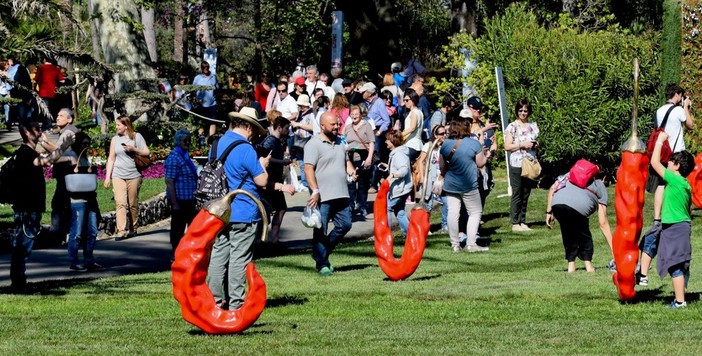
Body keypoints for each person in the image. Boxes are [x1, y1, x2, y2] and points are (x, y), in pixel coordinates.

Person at [207, 107, 270, 310]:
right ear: (248, 127)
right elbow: (262, 181)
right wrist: (263, 164)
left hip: (219, 210)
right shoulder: (245, 149)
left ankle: (214, 301)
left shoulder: (217, 144)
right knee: (239, 258)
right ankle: (237, 304)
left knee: (218, 254)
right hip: (244, 210)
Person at [640, 84, 695, 278]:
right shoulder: (679, 109)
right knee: (677, 186)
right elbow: (690, 125)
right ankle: (681, 211)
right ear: (678, 95)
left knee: (662, 186)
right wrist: (687, 107)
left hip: (661, 150)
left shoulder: (659, 110)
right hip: (676, 155)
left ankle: (657, 216)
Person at [638, 132, 694, 307]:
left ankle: (680, 302)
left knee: (675, 265)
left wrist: (660, 142)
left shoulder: (675, 179)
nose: (667, 163)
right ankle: (642, 274)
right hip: (678, 226)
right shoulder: (684, 184)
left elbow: (654, 163)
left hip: (675, 228)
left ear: (676, 166)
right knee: (650, 242)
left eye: (670, 161)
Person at [305, 111, 357, 275]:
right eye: (333, 124)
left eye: (337, 124)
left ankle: (321, 252)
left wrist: (351, 172)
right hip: (323, 195)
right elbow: (308, 169)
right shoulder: (313, 144)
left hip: (342, 193)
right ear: (322, 126)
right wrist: (315, 190)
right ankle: (322, 264)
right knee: (321, 230)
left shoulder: (340, 142)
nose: (337, 127)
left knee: (345, 224)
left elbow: (345, 160)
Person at [545, 164, 612, 273]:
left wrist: (548, 212)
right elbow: (603, 222)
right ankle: (588, 266)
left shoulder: (569, 175)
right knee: (584, 234)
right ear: (604, 178)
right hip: (579, 208)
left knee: (567, 233)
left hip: (557, 204)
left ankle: (571, 266)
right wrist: (614, 251)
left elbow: (553, 188)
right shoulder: (600, 185)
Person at [439, 119, 488, 253]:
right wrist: (487, 154)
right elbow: (480, 163)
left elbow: (442, 166)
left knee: (453, 213)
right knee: (475, 212)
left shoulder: (445, 145)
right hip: (468, 184)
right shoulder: (474, 144)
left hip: (450, 184)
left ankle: (455, 244)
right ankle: (471, 244)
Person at [103, 115, 151, 240]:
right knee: (120, 202)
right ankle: (121, 230)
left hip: (133, 174)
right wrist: (108, 177)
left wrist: (134, 149)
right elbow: (111, 158)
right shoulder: (115, 139)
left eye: (118, 125)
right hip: (118, 175)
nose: (116, 127)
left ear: (126, 125)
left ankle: (133, 227)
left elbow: (147, 152)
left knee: (132, 203)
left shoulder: (137, 136)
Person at [10, 122, 45, 291]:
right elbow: (47, 161)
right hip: (27, 208)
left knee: (23, 245)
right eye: (37, 129)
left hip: (29, 207)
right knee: (22, 246)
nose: (40, 132)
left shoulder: (27, 153)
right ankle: (18, 283)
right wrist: (65, 145)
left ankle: (19, 281)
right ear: (26, 132)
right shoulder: (25, 153)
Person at [37, 108, 78, 243]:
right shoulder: (67, 131)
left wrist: (44, 143)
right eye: (57, 115)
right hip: (67, 174)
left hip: (67, 174)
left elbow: (58, 152)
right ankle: (64, 233)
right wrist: (45, 141)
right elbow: (58, 149)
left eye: (61, 115)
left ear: (69, 119)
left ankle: (56, 235)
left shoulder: (68, 132)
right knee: (63, 203)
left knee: (58, 204)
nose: (58, 117)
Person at [65, 131, 102, 271]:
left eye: (88, 144)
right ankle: (73, 261)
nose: (86, 146)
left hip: (91, 199)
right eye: (84, 144)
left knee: (92, 231)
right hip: (77, 200)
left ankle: (89, 259)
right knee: (77, 232)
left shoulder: (86, 159)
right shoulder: (72, 156)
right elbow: (57, 158)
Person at [258, 112, 295, 243]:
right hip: (269, 181)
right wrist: (283, 162)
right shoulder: (270, 140)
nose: (288, 131)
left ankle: (274, 237)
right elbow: (265, 157)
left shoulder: (279, 141)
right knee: (266, 210)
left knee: (281, 207)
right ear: (279, 127)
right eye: (286, 128)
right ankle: (262, 238)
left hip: (276, 180)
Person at [504, 98, 539, 232]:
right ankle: (515, 222)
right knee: (517, 193)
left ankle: (522, 221)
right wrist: (521, 145)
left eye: (525, 110)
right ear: (517, 111)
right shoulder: (512, 126)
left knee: (526, 193)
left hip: (530, 162)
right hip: (517, 163)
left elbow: (536, 142)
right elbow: (507, 146)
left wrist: (535, 145)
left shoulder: (533, 126)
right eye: (520, 110)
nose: (523, 113)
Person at [164, 129, 199, 259]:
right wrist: (174, 203)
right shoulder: (174, 157)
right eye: (185, 140)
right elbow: (169, 181)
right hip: (180, 200)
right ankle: (176, 255)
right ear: (178, 141)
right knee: (177, 230)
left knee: (192, 229)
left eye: (189, 140)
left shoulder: (184, 155)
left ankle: (188, 254)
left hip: (189, 199)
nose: (188, 142)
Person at [466, 97, 498, 209]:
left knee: (485, 189)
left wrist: (492, 151)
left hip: (484, 162)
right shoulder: (465, 125)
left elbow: (494, 142)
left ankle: (478, 215)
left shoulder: (484, 125)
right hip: (470, 164)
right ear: (468, 107)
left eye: (479, 108)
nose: (478, 111)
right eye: (475, 108)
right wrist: (484, 130)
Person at [344, 105, 375, 217]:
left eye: (356, 114)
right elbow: (344, 141)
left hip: (363, 156)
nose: (354, 116)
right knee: (351, 183)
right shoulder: (347, 127)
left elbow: (371, 142)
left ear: (361, 115)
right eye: (352, 114)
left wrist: (369, 158)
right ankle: (351, 206)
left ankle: (362, 205)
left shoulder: (367, 126)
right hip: (350, 157)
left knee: (362, 183)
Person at [382, 130, 413, 237]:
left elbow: (403, 170)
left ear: (392, 141)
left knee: (388, 208)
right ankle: (410, 235)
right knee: (400, 212)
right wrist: (388, 167)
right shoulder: (399, 153)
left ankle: (386, 234)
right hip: (404, 188)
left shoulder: (398, 154)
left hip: (400, 189)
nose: (385, 142)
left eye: (387, 139)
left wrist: (393, 175)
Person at [417, 125, 448, 230]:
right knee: (428, 204)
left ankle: (445, 225)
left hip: (442, 177)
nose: (444, 136)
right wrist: (422, 176)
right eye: (441, 134)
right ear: (435, 135)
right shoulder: (429, 145)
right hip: (430, 177)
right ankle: (425, 227)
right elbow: (421, 161)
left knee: (446, 202)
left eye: (445, 133)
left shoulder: (446, 146)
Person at [33, 56, 63, 129]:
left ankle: (48, 125)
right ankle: (48, 124)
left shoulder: (41, 67)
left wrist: (33, 88)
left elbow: (35, 79)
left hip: (43, 91)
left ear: (45, 59)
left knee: (45, 108)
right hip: (53, 92)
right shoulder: (56, 68)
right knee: (51, 108)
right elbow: (62, 80)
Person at [192, 61, 219, 136]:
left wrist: (217, 98)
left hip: (212, 104)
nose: (206, 69)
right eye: (204, 67)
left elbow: (217, 88)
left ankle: (211, 140)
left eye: (207, 67)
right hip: (200, 104)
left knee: (213, 122)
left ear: (209, 67)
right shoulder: (197, 78)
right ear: (201, 68)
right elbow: (192, 90)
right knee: (201, 123)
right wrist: (194, 99)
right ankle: (201, 140)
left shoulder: (214, 77)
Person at [401, 88, 424, 163]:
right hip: (415, 144)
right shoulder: (419, 112)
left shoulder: (414, 112)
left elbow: (412, 128)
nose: (405, 102)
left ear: (413, 100)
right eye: (404, 100)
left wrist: (399, 135)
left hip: (413, 145)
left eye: (407, 100)